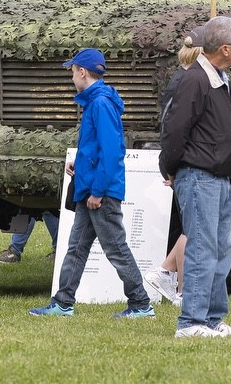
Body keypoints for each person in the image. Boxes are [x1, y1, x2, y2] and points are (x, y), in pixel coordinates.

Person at [29, 49, 154, 319]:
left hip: (100, 193)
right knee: (76, 248)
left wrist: (98, 191)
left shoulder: (99, 104)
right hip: (90, 190)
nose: (72, 77)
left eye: (73, 72)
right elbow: (97, 147)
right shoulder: (97, 102)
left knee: (116, 249)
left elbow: (112, 152)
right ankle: (63, 302)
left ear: (83, 72)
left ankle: (141, 304)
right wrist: (80, 165)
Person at [160, 16, 231, 338]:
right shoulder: (195, 79)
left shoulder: (219, 78)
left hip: (218, 178)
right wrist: (171, 167)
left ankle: (212, 319)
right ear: (224, 49)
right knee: (202, 249)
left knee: (222, 249)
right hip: (198, 176)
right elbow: (174, 129)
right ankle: (191, 322)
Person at [146, 26, 203, 306]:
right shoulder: (185, 82)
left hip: (181, 161)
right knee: (191, 228)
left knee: (189, 227)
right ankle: (180, 287)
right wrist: (170, 165)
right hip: (185, 163)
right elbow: (173, 129)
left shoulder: (182, 79)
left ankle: (168, 273)